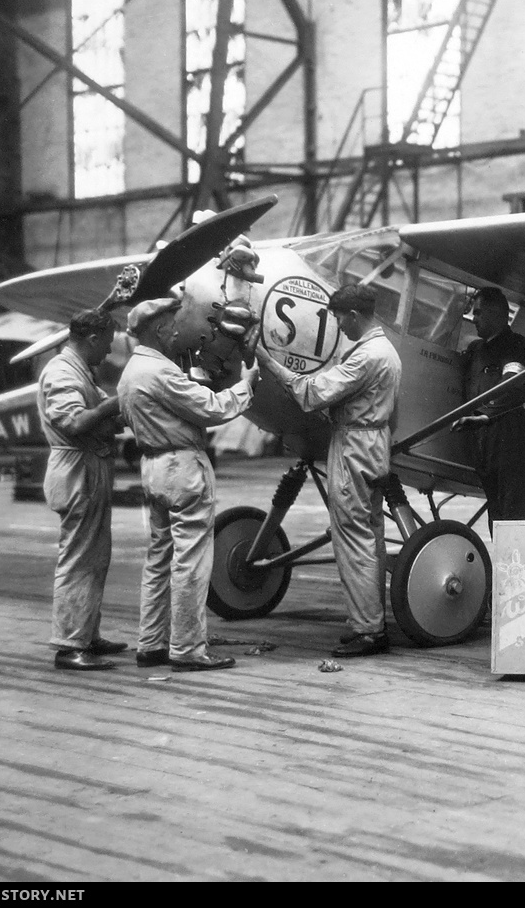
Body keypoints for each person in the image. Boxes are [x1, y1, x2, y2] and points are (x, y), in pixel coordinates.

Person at [255, 284, 403, 657]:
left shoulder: (367, 356)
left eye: (338, 318)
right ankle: (365, 622)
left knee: (353, 533)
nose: (337, 326)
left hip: (355, 445)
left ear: (353, 315)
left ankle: (369, 629)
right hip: (372, 441)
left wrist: (267, 361)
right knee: (368, 532)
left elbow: (312, 393)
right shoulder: (385, 352)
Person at [119, 297, 255, 672]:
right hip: (182, 466)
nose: (178, 330)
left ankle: (151, 644)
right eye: (173, 325)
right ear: (160, 330)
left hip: (152, 468)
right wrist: (246, 385)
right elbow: (212, 408)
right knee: (191, 561)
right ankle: (188, 648)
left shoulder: (132, 371)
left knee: (159, 559)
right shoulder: (160, 373)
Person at [37, 309, 126, 671]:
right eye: (105, 345)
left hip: (87, 468)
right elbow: (74, 422)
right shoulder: (61, 371)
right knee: (78, 559)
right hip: (77, 471)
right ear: (92, 338)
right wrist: (115, 403)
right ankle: (70, 645)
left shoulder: (78, 369)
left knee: (93, 557)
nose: (107, 353)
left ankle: (85, 634)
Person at [450, 287, 525, 530]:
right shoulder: (476, 350)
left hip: (512, 444)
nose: (474, 319)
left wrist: (483, 416)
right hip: (485, 447)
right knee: (496, 519)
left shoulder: (516, 346)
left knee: (512, 521)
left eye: (479, 313)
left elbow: (514, 387)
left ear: (497, 313)